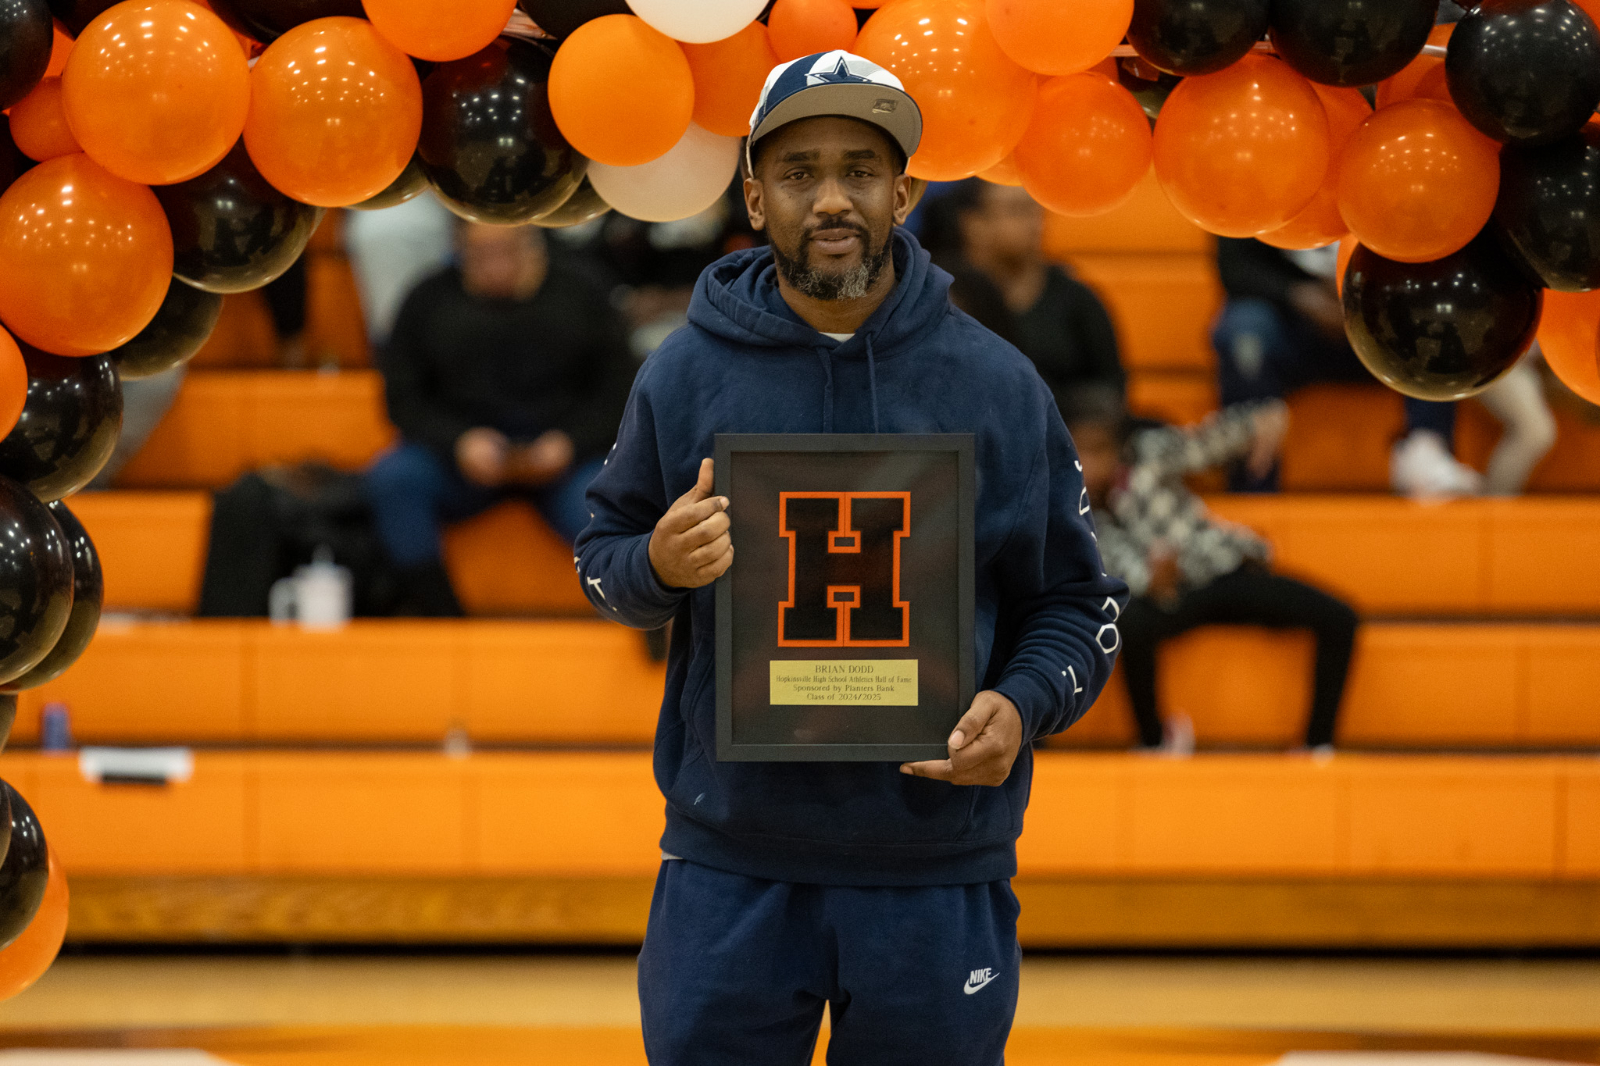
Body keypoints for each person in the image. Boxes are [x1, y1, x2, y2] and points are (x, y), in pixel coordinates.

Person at [574, 51, 1126, 1066]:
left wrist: (1022, 704)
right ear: (754, 198)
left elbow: (1075, 604)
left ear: (903, 194)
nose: (831, 199)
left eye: (860, 171)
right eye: (799, 172)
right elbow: (601, 560)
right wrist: (654, 563)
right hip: (729, 866)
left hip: (934, 864)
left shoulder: (998, 384)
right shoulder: (682, 373)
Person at [1065, 388, 1359, 753]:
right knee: (1129, 624)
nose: (1090, 463)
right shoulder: (1073, 513)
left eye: (1100, 450)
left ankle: (1317, 745)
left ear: (1119, 448)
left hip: (1226, 570)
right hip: (1175, 596)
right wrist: (1149, 580)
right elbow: (1112, 575)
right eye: (1080, 451)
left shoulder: (1148, 457)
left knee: (1340, 617)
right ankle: (1155, 742)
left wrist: (1261, 421)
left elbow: (1206, 444)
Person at [365, 221, 634, 617]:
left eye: (506, 251)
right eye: (480, 254)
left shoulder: (584, 292)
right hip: (461, 460)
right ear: (458, 249)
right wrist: (459, 441)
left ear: (534, 245)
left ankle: (641, 616)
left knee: (611, 501)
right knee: (395, 478)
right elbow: (402, 399)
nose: (494, 265)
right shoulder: (426, 298)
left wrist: (570, 442)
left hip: (566, 460)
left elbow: (621, 392)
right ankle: (439, 617)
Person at [925, 179, 1125, 408]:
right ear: (974, 223)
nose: (1035, 223)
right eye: (1017, 210)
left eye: (1037, 210)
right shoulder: (944, 296)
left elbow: (1112, 391)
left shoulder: (1076, 298)